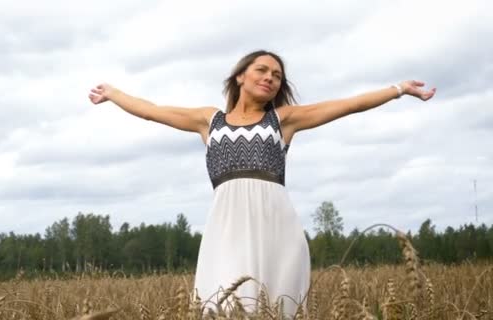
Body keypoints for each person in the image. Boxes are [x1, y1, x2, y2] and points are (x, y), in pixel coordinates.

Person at [88, 50, 436, 316]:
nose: (270, 78)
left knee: (277, 305)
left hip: (277, 227)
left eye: (277, 76)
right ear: (240, 76)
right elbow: (152, 109)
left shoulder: (282, 120)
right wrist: (114, 93)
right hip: (226, 229)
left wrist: (398, 90)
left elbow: (347, 105)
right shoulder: (209, 121)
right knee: (222, 302)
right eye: (262, 70)